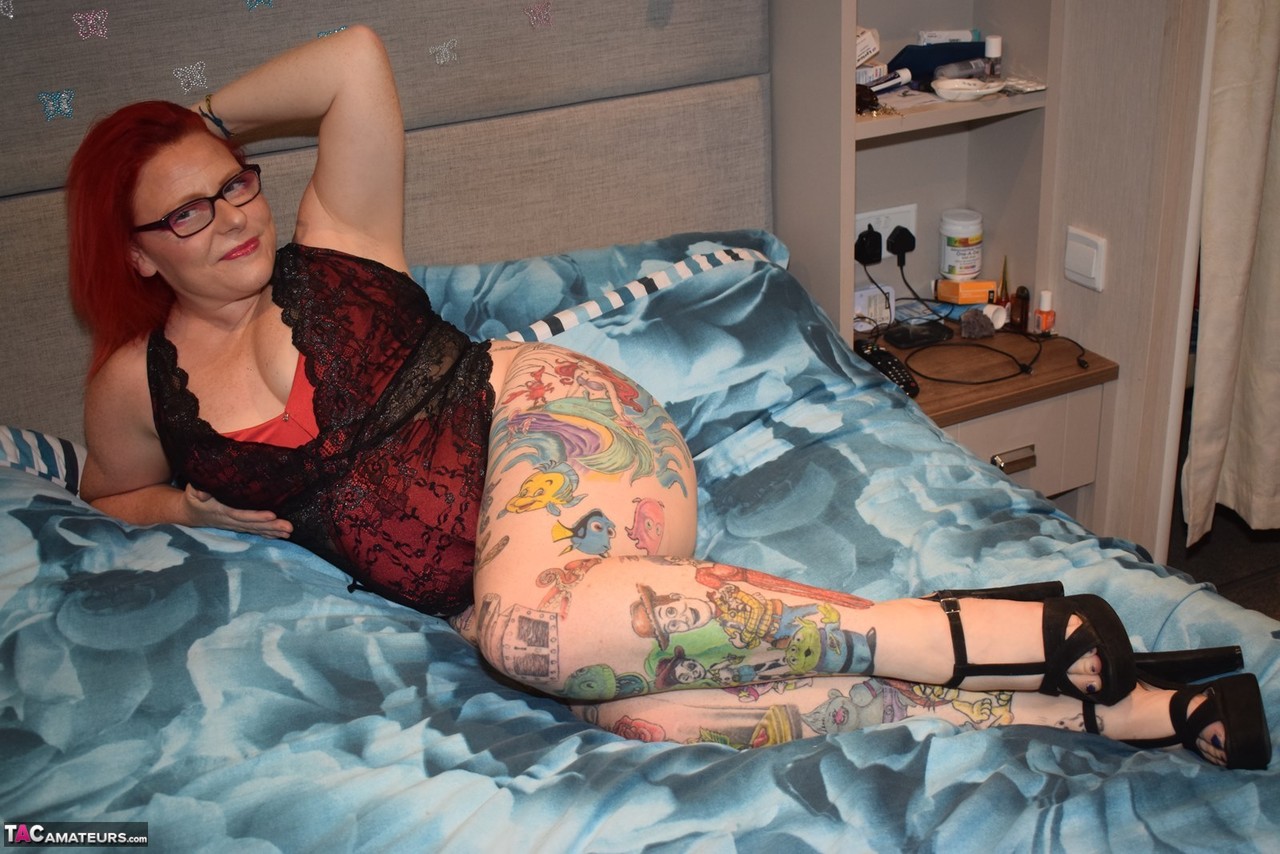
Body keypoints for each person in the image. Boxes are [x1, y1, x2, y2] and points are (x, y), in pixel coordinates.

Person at [66, 27, 1268, 770]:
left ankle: (974, 630)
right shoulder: (136, 387)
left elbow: (354, 62)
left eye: (234, 185)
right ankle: (1104, 707)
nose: (229, 218)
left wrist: (195, 123)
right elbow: (106, 498)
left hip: (556, 430)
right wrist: (185, 505)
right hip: (497, 589)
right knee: (656, 719)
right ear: (132, 252)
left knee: (528, 630)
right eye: (185, 212)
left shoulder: (338, 248)